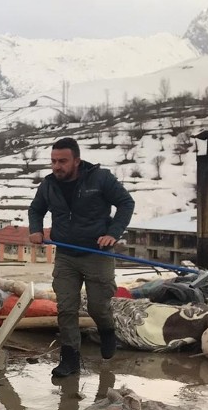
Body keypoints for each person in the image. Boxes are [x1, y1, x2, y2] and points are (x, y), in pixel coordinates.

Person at [29, 137, 134, 377]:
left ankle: (107, 330)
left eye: (62, 161)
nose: (57, 166)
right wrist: (35, 229)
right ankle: (70, 359)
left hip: (97, 253)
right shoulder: (48, 184)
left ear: (76, 160)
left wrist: (113, 233)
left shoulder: (100, 179)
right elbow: (36, 209)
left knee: (98, 306)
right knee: (66, 307)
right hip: (66, 254)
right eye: (53, 161)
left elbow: (126, 203)